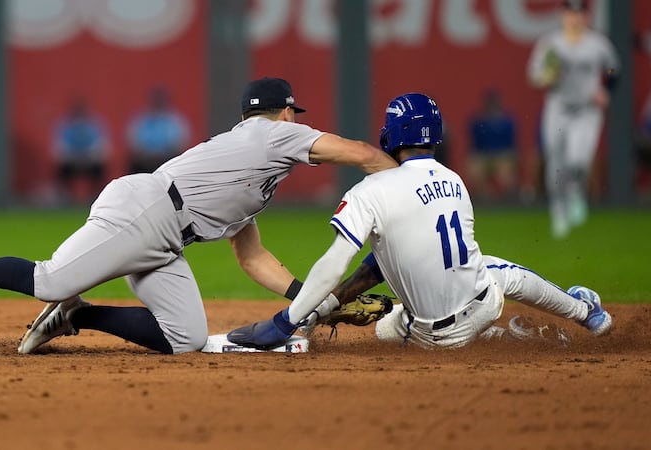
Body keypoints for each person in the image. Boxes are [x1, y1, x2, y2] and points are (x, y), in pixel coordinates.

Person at [0, 77, 398, 355]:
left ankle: (78, 316)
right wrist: (404, 178)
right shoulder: (274, 134)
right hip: (145, 210)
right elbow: (356, 151)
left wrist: (312, 301)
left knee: (184, 341)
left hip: (167, 237)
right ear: (285, 111)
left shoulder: (250, 169)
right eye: (292, 113)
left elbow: (254, 257)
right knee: (51, 278)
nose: (294, 122)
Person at [227, 93, 612, 351]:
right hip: (480, 306)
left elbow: (340, 261)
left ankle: (512, 331)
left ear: (390, 134)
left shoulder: (370, 190)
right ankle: (585, 311)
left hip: (425, 336)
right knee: (495, 269)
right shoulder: (454, 180)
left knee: (388, 319)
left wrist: (300, 315)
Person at [526, 0, 619, 238]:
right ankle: (558, 210)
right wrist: (547, 76)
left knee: (579, 160)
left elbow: (613, 69)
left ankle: (576, 191)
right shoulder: (551, 45)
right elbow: (535, 77)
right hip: (559, 106)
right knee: (555, 162)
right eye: (570, 13)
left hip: (587, 109)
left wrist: (605, 89)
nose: (574, 18)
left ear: (586, 17)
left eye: (579, 14)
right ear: (563, 16)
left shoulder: (597, 44)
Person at [52, 97, 110, 203]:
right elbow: (60, 146)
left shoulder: (94, 125)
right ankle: (65, 198)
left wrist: (87, 156)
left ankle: (97, 198)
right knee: (61, 169)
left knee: (100, 168)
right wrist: (74, 156)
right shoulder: (65, 125)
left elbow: (100, 145)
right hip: (71, 160)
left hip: (90, 160)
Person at [466, 89, 518, 202]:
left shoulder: (507, 122)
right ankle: (485, 198)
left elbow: (512, 146)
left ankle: (509, 199)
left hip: (501, 156)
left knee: (505, 168)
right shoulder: (478, 122)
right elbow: (474, 146)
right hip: (484, 156)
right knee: (475, 166)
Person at [126, 87, 191, 173]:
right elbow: (133, 140)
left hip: (167, 158)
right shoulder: (141, 119)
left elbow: (181, 141)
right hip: (145, 159)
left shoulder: (175, 120)